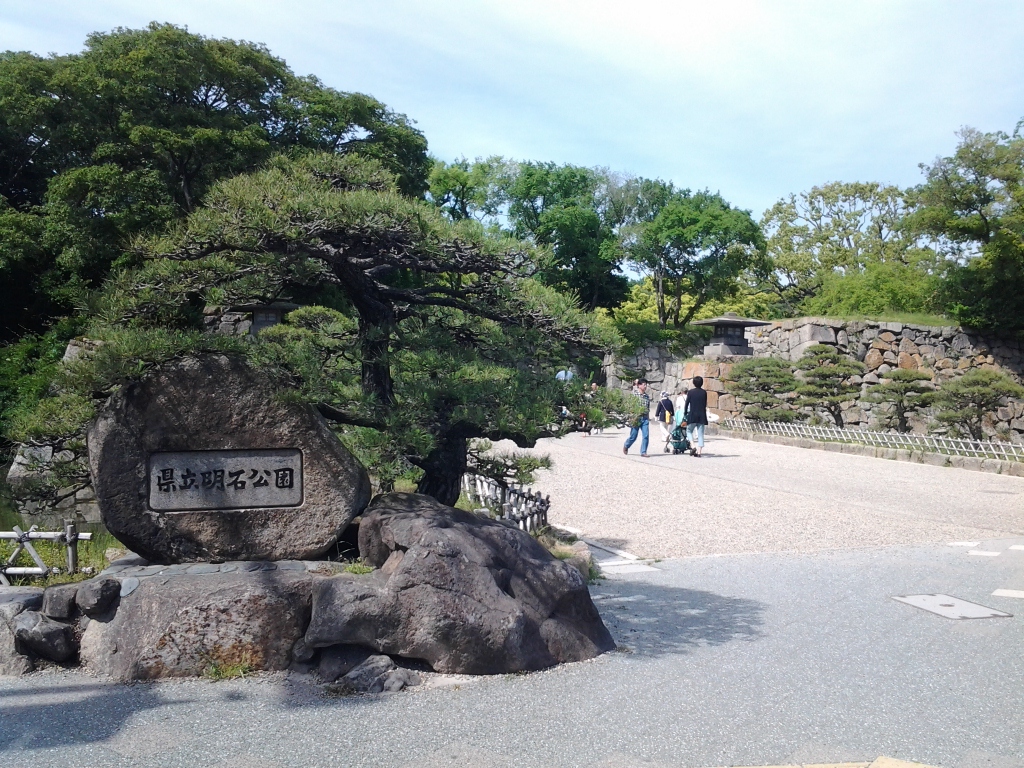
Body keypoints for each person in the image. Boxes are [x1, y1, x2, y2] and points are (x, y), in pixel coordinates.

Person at [623, 378, 651, 457]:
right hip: (636, 417)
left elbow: (648, 408)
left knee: (646, 435)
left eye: (646, 385)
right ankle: (626, 445)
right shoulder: (634, 394)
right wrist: (631, 417)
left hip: (644, 418)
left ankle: (643, 452)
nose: (645, 386)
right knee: (633, 436)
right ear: (639, 385)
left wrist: (648, 418)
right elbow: (629, 406)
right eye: (643, 384)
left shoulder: (646, 396)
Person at [683, 376, 709, 457]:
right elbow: (704, 404)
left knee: (689, 431)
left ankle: (693, 446)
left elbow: (687, 403)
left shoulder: (690, 392)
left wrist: (685, 412)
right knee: (700, 434)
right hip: (701, 415)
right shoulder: (704, 392)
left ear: (694, 383)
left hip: (693, 414)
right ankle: (699, 452)